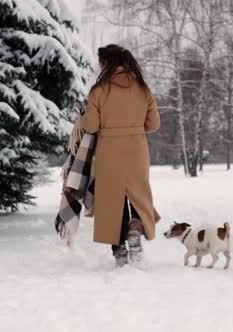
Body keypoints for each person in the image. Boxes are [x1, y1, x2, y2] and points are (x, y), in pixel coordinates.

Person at [80, 44, 161, 267]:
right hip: (137, 150)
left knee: (112, 200)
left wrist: (84, 114)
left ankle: (119, 252)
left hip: (109, 151)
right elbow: (153, 124)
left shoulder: (99, 90)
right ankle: (135, 227)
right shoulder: (143, 88)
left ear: (106, 63)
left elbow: (92, 125)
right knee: (138, 194)